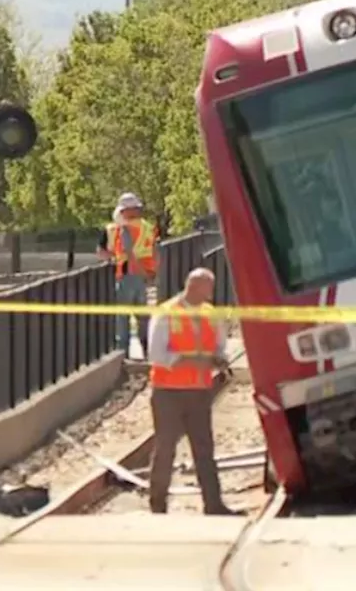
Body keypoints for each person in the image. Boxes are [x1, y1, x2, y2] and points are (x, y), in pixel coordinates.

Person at [144, 267, 239, 516]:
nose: (211, 292)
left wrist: (219, 360)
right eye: (208, 287)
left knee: (204, 448)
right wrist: (191, 361)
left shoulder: (211, 314)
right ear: (194, 286)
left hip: (198, 391)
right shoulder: (167, 312)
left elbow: (218, 346)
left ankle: (213, 504)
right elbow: (156, 354)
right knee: (165, 448)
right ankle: (158, 504)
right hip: (168, 392)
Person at [96, 192, 159, 353]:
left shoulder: (118, 229)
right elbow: (154, 251)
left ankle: (122, 351)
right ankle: (146, 348)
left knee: (123, 317)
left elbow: (104, 253)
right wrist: (151, 273)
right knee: (142, 316)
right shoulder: (146, 227)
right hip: (141, 275)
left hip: (127, 275)